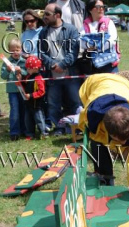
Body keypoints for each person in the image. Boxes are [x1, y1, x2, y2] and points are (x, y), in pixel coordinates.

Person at [38, 3, 82, 136]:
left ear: (57, 15)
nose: (44, 17)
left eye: (47, 14)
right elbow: (42, 52)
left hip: (70, 74)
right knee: (53, 104)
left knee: (76, 102)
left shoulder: (71, 30)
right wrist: (52, 65)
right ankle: (59, 127)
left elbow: (74, 51)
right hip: (52, 76)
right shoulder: (43, 32)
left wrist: (62, 65)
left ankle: (78, 127)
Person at [79, 0, 119, 73]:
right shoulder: (85, 25)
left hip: (109, 63)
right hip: (91, 64)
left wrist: (95, 47)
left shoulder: (109, 22)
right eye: (98, 7)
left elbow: (112, 41)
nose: (101, 9)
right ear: (90, 10)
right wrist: (98, 43)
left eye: (103, 7)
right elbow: (81, 42)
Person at [0, 38, 27, 141]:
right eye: (12, 50)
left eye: (17, 49)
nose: (15, 52)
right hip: (12, 91)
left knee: (24, 111)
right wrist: (7, 70)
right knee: (14, 111)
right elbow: (2, 76)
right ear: (9, 51)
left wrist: (22, 71)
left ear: (21, 50)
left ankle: (25, 130)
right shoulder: (6, 62)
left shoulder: (24, 61)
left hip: (23, 90)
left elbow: (28, 73)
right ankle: (14, 132)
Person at [18, 56, 48, 140]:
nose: (27, 70)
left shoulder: (39, 78)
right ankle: (30, 134)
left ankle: (43, 133)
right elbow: (25, 85)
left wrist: (31, 95)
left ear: (35, 68)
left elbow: (42, 91)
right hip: (28, 104)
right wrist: (21, 81)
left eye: (28, 69)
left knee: (39, 119)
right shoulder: (28, 77)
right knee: (28, 120)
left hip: (36, 105)